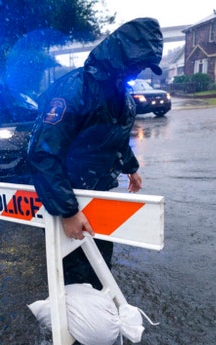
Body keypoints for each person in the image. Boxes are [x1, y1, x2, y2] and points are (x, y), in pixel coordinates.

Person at [27, 18, 163, 290]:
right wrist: (67, 211)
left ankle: (96, 314)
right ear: (123, 56)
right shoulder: (74, 90)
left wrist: (130, 166)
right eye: (139, 64)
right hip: (71, 192)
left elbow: (114, 135)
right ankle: (76, 328)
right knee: (76, 273)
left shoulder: (119, 91)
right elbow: (42, 154)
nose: (139, 72)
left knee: (100, 264)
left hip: (100, 193)